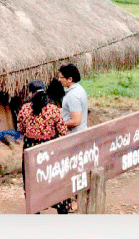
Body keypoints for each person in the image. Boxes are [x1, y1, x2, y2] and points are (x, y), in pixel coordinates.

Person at [17, 79, 71, 214]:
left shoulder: (24, 109)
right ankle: (62, 208)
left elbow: (20, 129)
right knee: (55, 178)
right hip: (50, 150)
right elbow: (63, 131)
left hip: (31, 150)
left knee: (32, 180)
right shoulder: (53, 109)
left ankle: (35, 210)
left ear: (30, 93)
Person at [57, 63, 88, 134]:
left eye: (61, 77)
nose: (59, 80)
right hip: (82, 131)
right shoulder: (79, 89)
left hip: (74, 135)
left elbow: (76, 121)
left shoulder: (73, 95)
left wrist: (59, 125)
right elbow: (71, 109)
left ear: (69, 79)